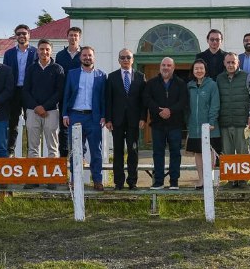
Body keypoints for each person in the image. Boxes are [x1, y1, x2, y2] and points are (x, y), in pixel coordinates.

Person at [62, 46, 106, 191]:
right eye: (84, 55)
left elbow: (103, 98)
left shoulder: (101, 75)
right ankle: (75, 179)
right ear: (80, 58)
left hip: (94, 117)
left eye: (90, 55)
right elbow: (66, 94)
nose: (87, 57)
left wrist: (104, 115)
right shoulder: (72, 74)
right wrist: (65, 114)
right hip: (75, 115)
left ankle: (97, 180)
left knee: (96, 151)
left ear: (94, 57)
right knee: (75, 150)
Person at [104, 48, 147, 190]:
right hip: (117, 121)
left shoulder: (141, 77)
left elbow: (143, 101)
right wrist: (108, 119)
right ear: (118, 60)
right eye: (122, 58)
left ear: (132, 60)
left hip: (134, 121)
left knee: (133, 151)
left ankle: (132, 181)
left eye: (128, 57)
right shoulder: (112, 77)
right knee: (117, 152)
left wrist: (143, 118)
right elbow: (108, 100)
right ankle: (119, 182)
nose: (125, 60)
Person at [143, 57, 188, 190]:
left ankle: (174, 181)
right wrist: (158, 110)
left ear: (173, 68)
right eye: (163, 65)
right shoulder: (151, 83)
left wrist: (170, 110)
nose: (166, 67)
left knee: (175, 153)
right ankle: (158, 181)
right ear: (160, 67)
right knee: (158, 153)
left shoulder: (181, 83)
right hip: (157, 124)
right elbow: (147, 99)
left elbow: (183, 101)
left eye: (169, 65)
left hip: (175, 124)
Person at [216, 51, 250, 187]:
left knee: (243, 152)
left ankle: (243, 179)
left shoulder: (246, 76)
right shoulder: (219, 78)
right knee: (227, 153)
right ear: (224, 63)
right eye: (228, 62)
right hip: (225, 122)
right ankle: (231, 179)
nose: (231, 64)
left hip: (241, 122)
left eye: (233, 62)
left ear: (238, 63)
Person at [22, 39, 64, 159]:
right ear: (37, 51)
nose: (44, 52)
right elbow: (25, 90)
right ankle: (34, 176)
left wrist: (44, 107)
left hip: (51, 111)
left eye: (47, 49)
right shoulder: (31, 68)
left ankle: (53, 176)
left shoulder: (58, 69)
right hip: (32, 111)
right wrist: (36, 107)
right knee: (33, 147)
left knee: (53, 147)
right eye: (41, 49)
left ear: (51, 51)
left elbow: (59, 92)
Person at [3, 24, 38, 155]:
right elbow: (6, 74)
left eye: (24, 33)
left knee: (32, 124)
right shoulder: (9, 53)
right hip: (14, 92)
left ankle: (31, 151)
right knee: (12, 123)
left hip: (30, 92)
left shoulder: (35, 52)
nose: (21, 36)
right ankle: (10, 150)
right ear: (15, 36)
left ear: (29, 35)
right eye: (19, 34)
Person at [186, 58, 221, 189]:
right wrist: (188, 122)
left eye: (201, 68)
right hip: (194, 127)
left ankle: (209, 178)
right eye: (196, 68)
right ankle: (201, 179)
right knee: (198, 154)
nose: (199, 71)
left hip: (210, 127)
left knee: (210, 153)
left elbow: (215, 105)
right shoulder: (189, 86)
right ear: (193, 71)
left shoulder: (212, 85)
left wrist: (211, 121)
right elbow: (186, 107)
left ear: (205, 70)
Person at [55, 26, 82, 157]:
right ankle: (64, 155)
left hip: (80, 95)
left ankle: (78, 155)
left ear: (79, 37)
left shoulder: (84, 54)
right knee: (63, 126)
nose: (73, 37)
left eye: (76, 35)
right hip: (63, 95)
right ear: (67, 37)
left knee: (79, 125)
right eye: (71, 35)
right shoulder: (60, 55)